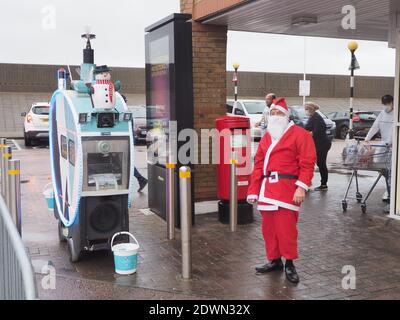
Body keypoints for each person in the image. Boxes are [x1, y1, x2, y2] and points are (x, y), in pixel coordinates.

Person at [247, 97, 316, 284]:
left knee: (286, 229)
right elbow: (259, 164)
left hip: (287, 190)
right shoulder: (267, 136)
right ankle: (275, 260)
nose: (275, 116)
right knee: (269, 229)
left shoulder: (300, 134)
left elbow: (308, 163)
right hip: (267, 189)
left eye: (279, 113)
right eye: (273, 113)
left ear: (286, 116)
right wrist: (253, 189)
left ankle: (290, 263)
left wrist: (301, 187)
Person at [365, 94, 394, 213]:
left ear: (393, 102)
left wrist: (393, 142)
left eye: (388, 103)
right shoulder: (382, 114)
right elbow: (375, 127)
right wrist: (367, 138)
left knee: (392, 172)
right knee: (384, 170)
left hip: (393, 147)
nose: (386, 106)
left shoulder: (396, 114)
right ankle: (390, 191)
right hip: (384, 146)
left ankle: (392, 197)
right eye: (384, 104)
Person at [121, 94, 148, 192]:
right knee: (125, 162)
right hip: (128, 139)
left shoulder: (123, 112)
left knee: (125, 163)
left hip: (126, 140)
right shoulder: (125, 111)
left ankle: (141, 179)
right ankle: (141, 179)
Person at [304, 102, 332, 191]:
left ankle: (324, 184)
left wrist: (308, 134)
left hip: (322, 144)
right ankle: (308, 182)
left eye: (306, 109)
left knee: (321, 163)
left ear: (311, 109)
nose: (305, 111)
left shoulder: (316, 118)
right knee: (316, 162)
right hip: (317, 144)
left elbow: (317, 131)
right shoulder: (313, 117)